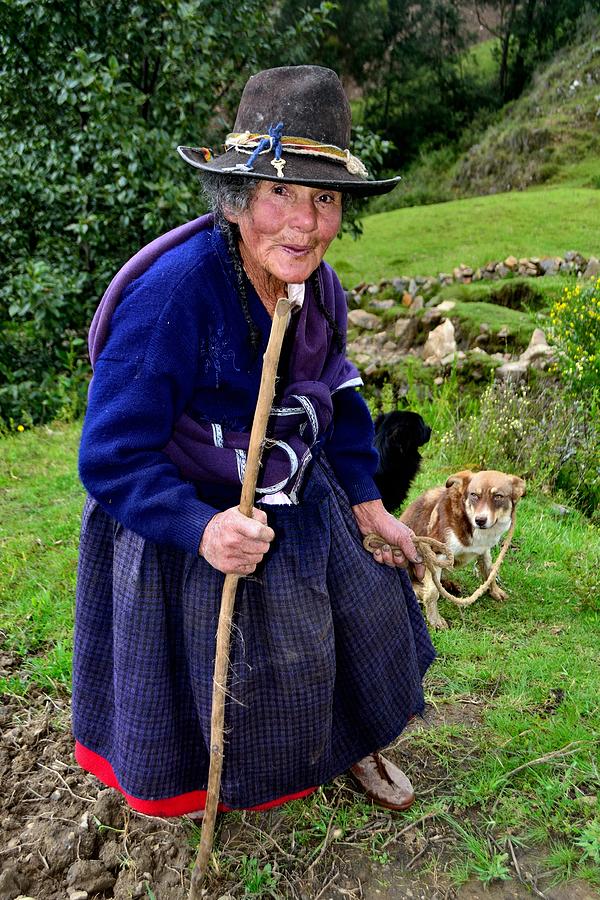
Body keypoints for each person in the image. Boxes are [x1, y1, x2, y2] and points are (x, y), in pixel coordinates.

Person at [72, 65, 435, 818]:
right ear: (237, 200)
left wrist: (369, 503)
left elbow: (339, 393)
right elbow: (110, 455)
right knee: (227, 669)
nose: (303, 224)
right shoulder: (174, 295)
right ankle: (212, 781)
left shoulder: (317, 286)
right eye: (279, 194)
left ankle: (357, 739)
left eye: (324, 198)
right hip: (189, 510)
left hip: (295, 488)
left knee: (364, 615)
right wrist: (201, 528)